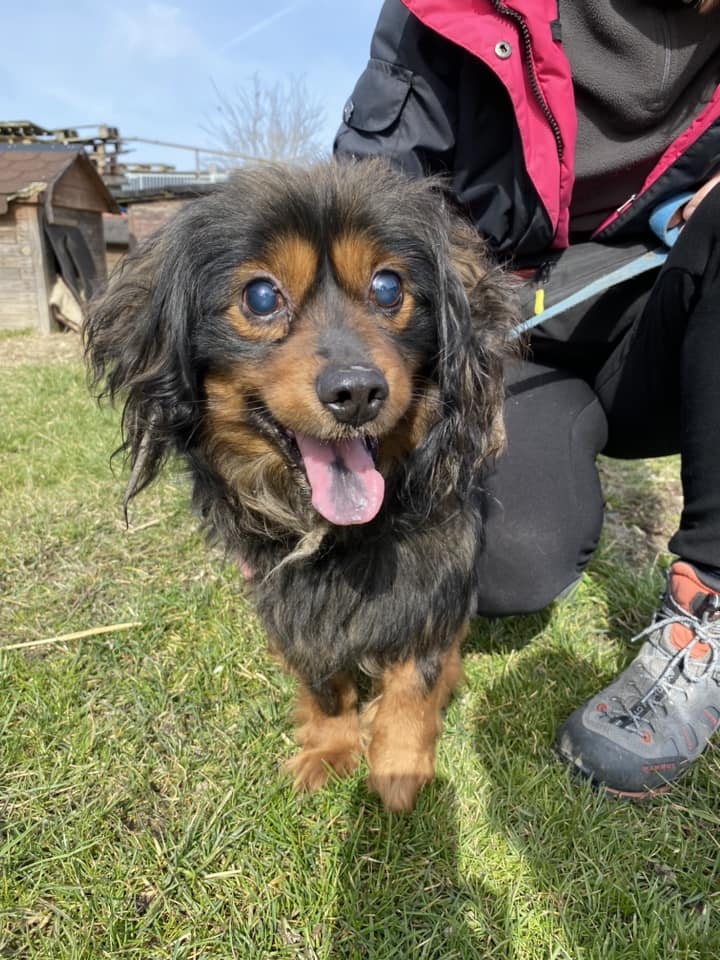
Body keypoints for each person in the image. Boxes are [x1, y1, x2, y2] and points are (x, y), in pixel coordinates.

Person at [334, 0, 720, 798]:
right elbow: (364, 212)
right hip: (501, 332)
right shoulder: (453, 9)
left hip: (664, 320)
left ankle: (708, 605)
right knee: (514, 560)